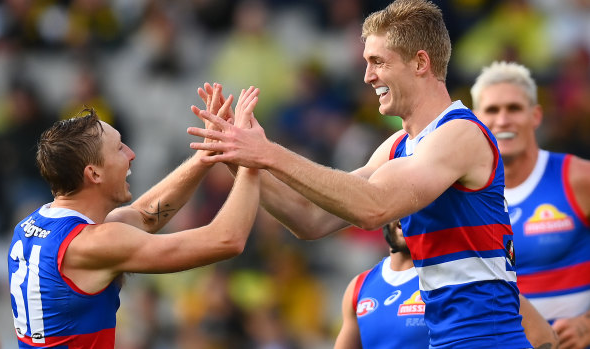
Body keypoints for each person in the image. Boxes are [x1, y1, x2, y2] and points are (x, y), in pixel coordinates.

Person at [187, 0, 531, 347]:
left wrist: (268, 152)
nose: (367, 76)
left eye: (378, 62)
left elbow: (374, 208)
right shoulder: (399, 145)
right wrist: (238, 157)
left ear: (420, 62)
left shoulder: (460, 134)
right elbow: (311, 218)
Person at [7, 86, 260, 348]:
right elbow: (227, 240)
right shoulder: (94, 243)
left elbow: (146, 216)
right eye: (119, 148)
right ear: (94, 174)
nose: (131, 154)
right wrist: (251, 159)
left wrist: (205, 156)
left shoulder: (33, 226)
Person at [472, 61, 590, 349]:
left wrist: (587, 325)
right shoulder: (463, 195)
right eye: (492, 110)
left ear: (535, 115)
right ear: (475, 120)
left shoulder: (578, 178)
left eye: (513, 108)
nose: (502, 120)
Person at [334, 219, 558, 349]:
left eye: (413, 205)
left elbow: (544, 339)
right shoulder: (360, 286)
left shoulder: (463, 273)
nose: (404, 215)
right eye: (396, 205)